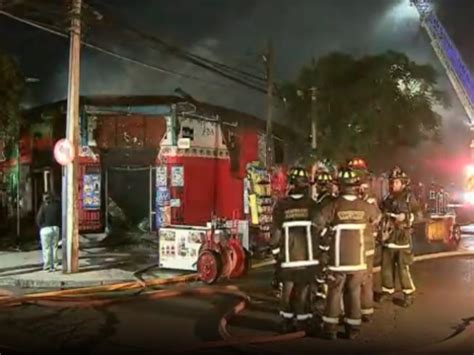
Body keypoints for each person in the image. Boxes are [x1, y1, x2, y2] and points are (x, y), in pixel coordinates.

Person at [314, 167, 380, 340]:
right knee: (354, 292)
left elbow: (317, 223)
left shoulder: (333, 205)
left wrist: (326, 236)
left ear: (340, 186)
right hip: (358, 260)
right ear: (356, 186)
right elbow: (377, 217)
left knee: (334, 292)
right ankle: (353, 330)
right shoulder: (365, 206)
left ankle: (331, 329)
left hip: (338, 260)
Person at [270, 166, 320, 333]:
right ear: (306, 185)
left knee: (287, 291)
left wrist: (276, 254)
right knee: (303, 292)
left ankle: (285, 323)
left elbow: (275, 234)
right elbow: (320, 230)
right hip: (308, 260)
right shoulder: (313, 206)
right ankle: (302, 323)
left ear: (290, 184)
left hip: (288, 259)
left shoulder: (281, 206)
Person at [378, 167, 419, 307]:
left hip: (402, 238)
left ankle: (408, 294)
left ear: (403, 183)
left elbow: (419, 215)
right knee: (386, 268)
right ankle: (387, 291)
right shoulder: (387, 198)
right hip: (388, 237)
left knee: (403, 268)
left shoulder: (409, 198)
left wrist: (407, 217)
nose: (392, 185)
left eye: (395, 182)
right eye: (391, 182)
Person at [355, 165, 382, 323]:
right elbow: (377, 217)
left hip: (361, 244)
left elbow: (377, 218)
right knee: (364, 278)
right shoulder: (367, 200)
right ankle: (364, 310)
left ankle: (362, 310)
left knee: (360, 278)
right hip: (364, 243)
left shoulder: (368, 200)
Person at [35, 192, 61, 272]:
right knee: (55, 247)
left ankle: (47, 266)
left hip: (45, 229)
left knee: (46, 248)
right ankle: (55, 265)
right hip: (55, 228)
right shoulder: (56, 206)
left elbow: (38, 219)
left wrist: (41, 226)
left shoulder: (43, 207)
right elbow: (60, 217)